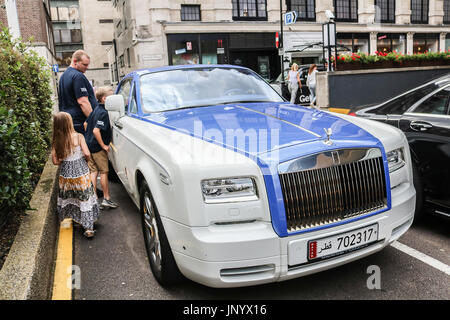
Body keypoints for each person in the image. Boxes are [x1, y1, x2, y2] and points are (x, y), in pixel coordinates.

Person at [52, 112, 99, 238]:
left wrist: (64, 158)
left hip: (66, 173)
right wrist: (86, 161)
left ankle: (75, 218)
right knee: (84, 197)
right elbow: (87, 153)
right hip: (80, 171)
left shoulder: (56, 141)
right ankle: (88, 228)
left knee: (71, 196)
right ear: (69, 123)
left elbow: (55, 161)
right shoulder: (78, 137)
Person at [84, 86, 118, 209]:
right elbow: (96, 130)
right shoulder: (103, 113)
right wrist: (103, 145)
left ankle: (94, 200)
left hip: (89, 145)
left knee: (93, 172)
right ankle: (107, 198)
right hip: (98, 148)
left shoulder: (95, 109)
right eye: (111, 96)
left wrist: (88, 139)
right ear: (104, 99)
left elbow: (85, 123)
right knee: (104, 172)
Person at [58, 50, 98, 135]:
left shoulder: (63, 76)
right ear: (75, 61)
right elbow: (83, 102)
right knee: (84, 147)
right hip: (80, 123)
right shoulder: (78, 76)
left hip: (69, 122)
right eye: (84, 64)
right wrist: (93, 121)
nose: (87, 67)